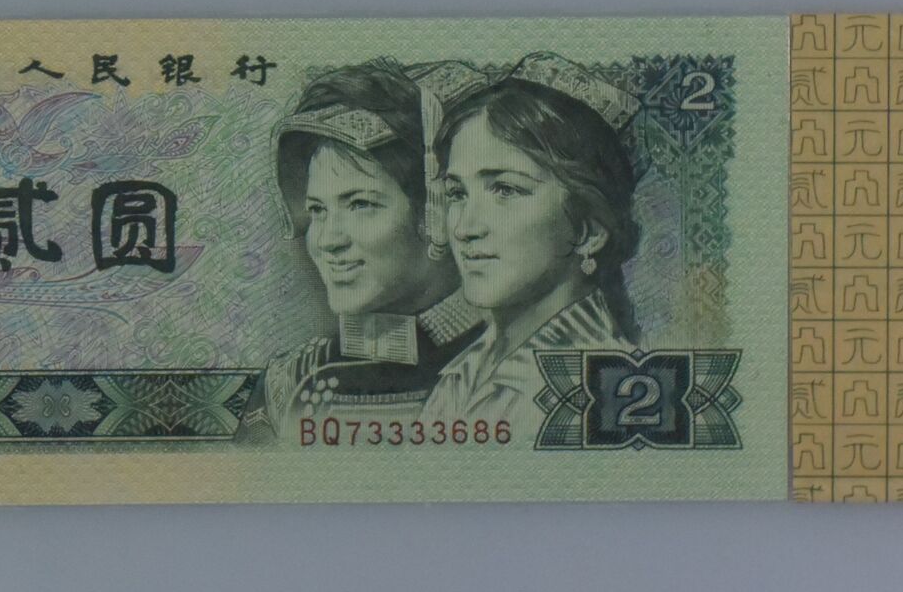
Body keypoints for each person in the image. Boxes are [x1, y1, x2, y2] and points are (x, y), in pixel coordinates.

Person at [236, 59, 488, 444]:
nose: (327, 240)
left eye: (360, 204)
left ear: (436, 211)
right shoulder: (288, 384)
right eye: (317, 210)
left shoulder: (516, 364)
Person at [418, 52, 642, 440]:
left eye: (505, 189)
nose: (465, 228)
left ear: (588, 230)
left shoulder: (603, 389)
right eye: (457, 194)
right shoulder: (463, 374)